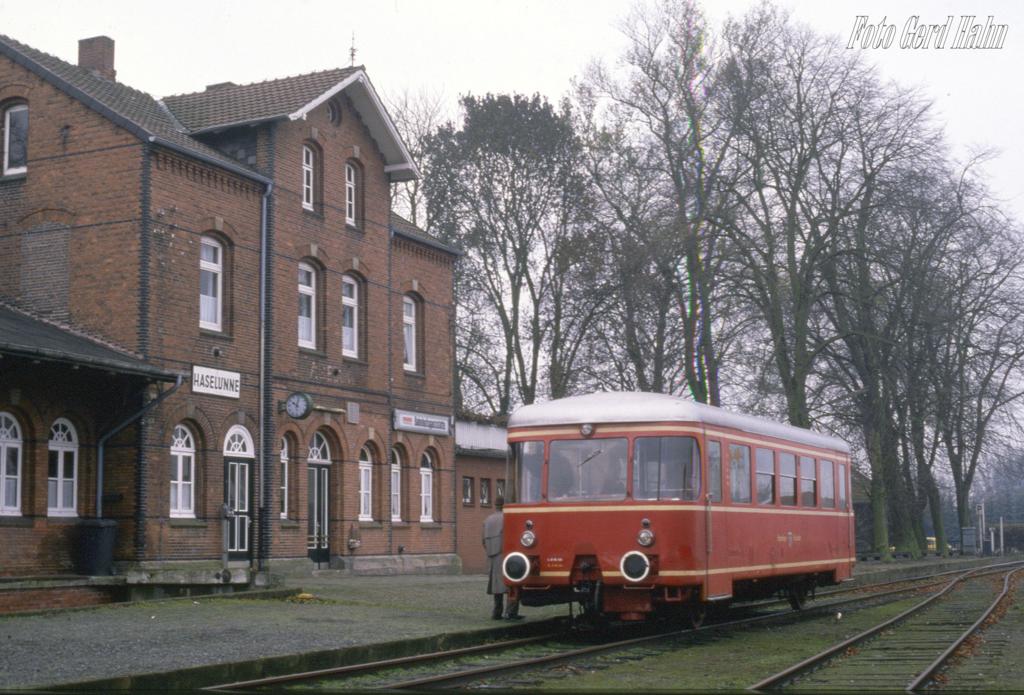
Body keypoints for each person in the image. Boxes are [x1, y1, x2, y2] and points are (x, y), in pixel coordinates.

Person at [482, 496, 521, 619]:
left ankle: (497, 612)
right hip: (506, 555)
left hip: (491, 556)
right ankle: (511, 612)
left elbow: (483, 540)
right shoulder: (508, 518)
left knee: (495, 585)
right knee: (512, 584)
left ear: (495, 505)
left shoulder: (487, 520)